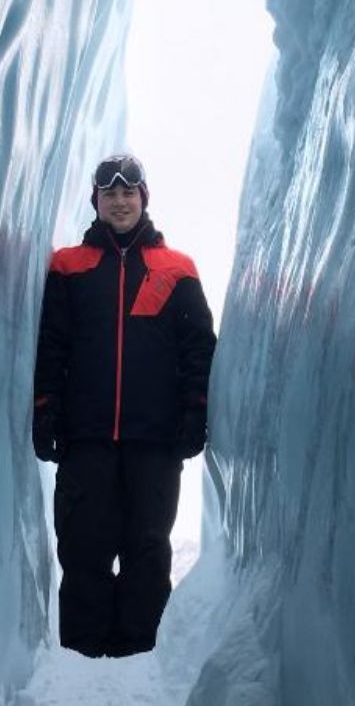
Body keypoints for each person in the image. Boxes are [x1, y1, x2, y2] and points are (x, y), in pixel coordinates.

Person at [31, 153, 217, 657]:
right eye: (109, 193)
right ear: (95, 201)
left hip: (154, 441)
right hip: (85, 437)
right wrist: (45, 408)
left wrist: (194, 413)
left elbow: (199, 350)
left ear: (143, 199)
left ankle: (142, 655)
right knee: (83, 547)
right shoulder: (68, 266)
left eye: (128, 192)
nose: (119, 200)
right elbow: (51, 345)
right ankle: (83, 660)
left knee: (148, 549)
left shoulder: (176, 269)